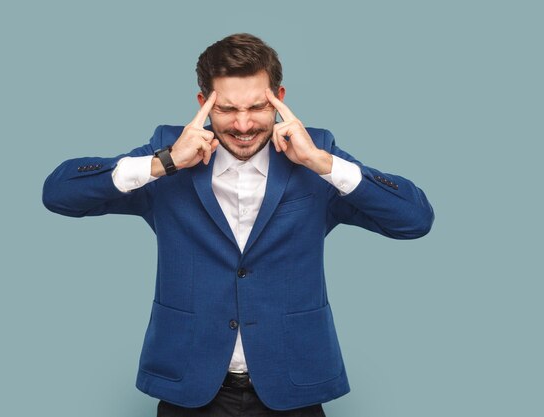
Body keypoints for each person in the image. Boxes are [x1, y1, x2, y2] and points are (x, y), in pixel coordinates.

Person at [43, 33, 434, 417]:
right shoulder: (170, 151)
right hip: (190, 385)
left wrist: (322, 163)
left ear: (279, 100)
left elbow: (414, 220)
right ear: (203, 103)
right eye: (227, 109)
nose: (243, 125)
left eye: (256, 108)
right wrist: (164, 162)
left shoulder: (315, 152)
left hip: (291, 385)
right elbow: (59, 193)